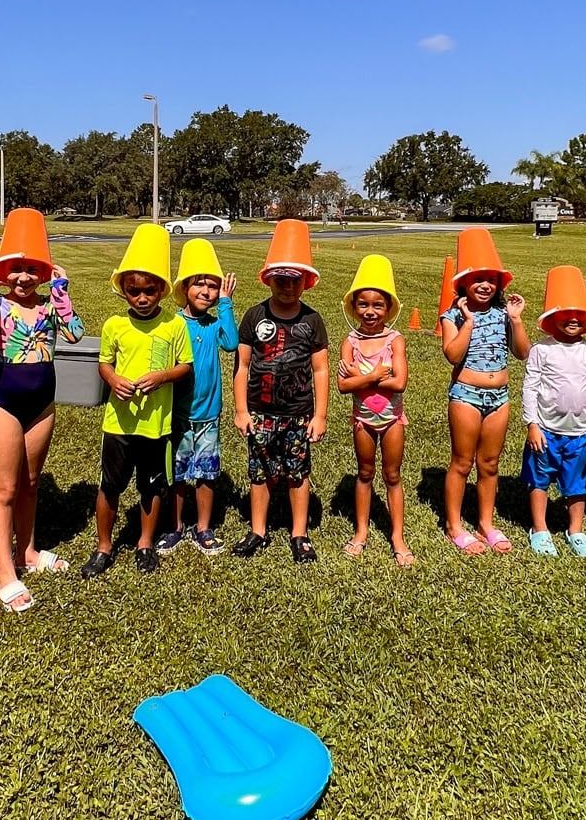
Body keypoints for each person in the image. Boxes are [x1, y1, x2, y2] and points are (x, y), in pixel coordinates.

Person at [0, 208, 84, 609]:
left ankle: (28, 552)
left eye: (32, 269)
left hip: (42, 403)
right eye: (14, 270)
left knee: (31, 483)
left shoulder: (49, 306)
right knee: (4, 488)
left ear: (44, 272)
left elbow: (74, 332)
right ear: (2, 272)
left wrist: (61, 292)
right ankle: (6, 576)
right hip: (3, 402)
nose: (22, 278)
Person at [83, 224, 192, 578]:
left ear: (161, 289)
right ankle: (104, 546)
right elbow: (104, 363)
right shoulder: (115, 325)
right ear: (123, 291)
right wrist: (113, 379)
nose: (142, 298)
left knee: (152, 484)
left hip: (155, 423)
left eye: (148, 291)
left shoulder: (174, 324)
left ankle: (145, 543)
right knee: (110, 484)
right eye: (134, 291)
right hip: (119, 423)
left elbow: (185, 366)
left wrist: (162, 377)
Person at [233, 219, 330, 563]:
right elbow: (242, 366)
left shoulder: (313, 320)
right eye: (281, 280)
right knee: (259, 473)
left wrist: (319, 415)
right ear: (268, 279)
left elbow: (320, 369)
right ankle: (257, 530)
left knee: (297, 472)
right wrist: (241, 410)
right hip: (260, 412)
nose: (288, 287)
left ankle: (299, 533)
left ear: (306, 282)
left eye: (295, 280)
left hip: (298, 414)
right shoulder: (253, 315)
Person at [439, 226, 530, 555]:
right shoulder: (452, 315)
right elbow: (452, 354)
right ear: (463, 283)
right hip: (466, 395)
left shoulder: (505, 314)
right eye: (477, 279)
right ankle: (454, 526)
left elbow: (522, 353)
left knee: (490, 463)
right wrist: (468, 321)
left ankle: (486, 523)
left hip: (499, 397)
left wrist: (517, 321)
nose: (485, 285)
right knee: (462, 462)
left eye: (491, 280)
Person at [522, 265, 586, 559]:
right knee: (539, 481)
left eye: (579, 315)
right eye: (565, 314)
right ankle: (540, 528)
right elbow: (530, 387)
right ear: (552, 318)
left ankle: (576, 530)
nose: (573, 319)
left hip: (581, 434)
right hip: (545, 431)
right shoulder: (541, 350)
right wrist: (532, 424)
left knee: (578, 485)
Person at [157, 237, 238, 558]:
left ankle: (203, 527)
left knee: (206, 473)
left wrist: (228, 303)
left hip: (208, 414)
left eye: (212, 286)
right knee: (177, 474)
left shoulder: (216, 322)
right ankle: (176, 526)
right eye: (199, 285)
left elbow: (231, 343)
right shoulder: (174, 323)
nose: (206, 292)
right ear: (185, 287)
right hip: (177, 412)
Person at [336, 253, 412, 566]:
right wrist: (374, 376)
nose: (370, 311)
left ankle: (398, 536)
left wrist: (360, 378)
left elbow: (400, 383)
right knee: (365, 473)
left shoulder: (395, 340)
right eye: (364, 304)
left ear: (388, 308)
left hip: (392, 419)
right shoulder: (349, 342)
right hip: (362, 421)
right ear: (354, 306)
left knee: (392, 475)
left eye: (377, 305)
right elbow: (342, 387)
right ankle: (361, 532)